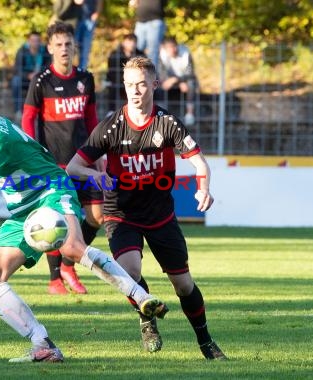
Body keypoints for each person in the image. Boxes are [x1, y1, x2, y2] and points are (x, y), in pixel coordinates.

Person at [0, 82, 167, 363]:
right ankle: (42, 344)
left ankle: (141, 297)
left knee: (72, 247)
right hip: (24, 209)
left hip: (51, 190)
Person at [66, 57, 227, 360]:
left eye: (141, 84)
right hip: (121, 214)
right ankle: (146, 317)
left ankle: (205, 341)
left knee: (182, 285)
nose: (136, 91)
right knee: (129, 271)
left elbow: (199, 161)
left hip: (160, 215)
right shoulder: (111, 126)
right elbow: (74, 167)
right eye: (129, 85)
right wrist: (96, 176)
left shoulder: (167, 123)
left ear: (154, 84)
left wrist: (204, 187)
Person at [22, 21, 102, 295]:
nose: (64, 48)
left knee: (97, 216)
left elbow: (91, 118)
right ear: (50, 48)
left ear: (74, 46)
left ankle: (69, 263)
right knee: (56, 219)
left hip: (81, 160)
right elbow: (29, 118)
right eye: (59, 44)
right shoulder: (41, 81)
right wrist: (33, 154)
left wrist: (98, 152)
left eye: (68, 43)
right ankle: (55, 279)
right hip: (53, 162)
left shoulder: (86, 79)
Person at [11, 31, 50, 123]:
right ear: (29, 41)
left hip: (40, 77)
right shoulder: (21, 51)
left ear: (40, 41)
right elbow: (17, 69)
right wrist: (28, 75)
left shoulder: (45, 51)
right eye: (33, 40)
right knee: (15, 81)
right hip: (25, 78)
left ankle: (44, 111)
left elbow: (49, 67)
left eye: (37, 41)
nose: (35, 43)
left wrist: (38, 74)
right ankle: (18, 111)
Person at [159, 37, 198, 126]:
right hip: (169, 80)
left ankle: (190, 114)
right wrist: (171, 80)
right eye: (169, 47)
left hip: (184, 80)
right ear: (165, 48)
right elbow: (162, 73)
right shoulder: (162, 55)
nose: (172, 49)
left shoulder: (185, 53)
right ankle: (160, 114)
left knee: (191, 84)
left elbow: (190, 73)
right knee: (158, 85)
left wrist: (178, 80)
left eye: (173, 46)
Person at [106, 33, 145, 113]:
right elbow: (113, 73)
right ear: (123, 42)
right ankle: (111, 112)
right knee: (113, 86)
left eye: (134, 41)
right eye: (129, 41)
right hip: (119, 81)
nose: (132, 44)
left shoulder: (141, 55)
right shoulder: (115, 55)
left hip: (136, 81)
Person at [128, 0, 167, 68]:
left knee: (153, 51)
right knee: (136, 48)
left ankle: (152, 76)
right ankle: (136, 73)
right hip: (140, 21)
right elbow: (132, 3)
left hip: (155, 21)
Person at [75, 0, 103, 70]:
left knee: (85, 49)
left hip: (90, 20)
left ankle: (82, 72)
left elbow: (100, 2)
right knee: (72, 47)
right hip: (76, 20)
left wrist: (97, 12)